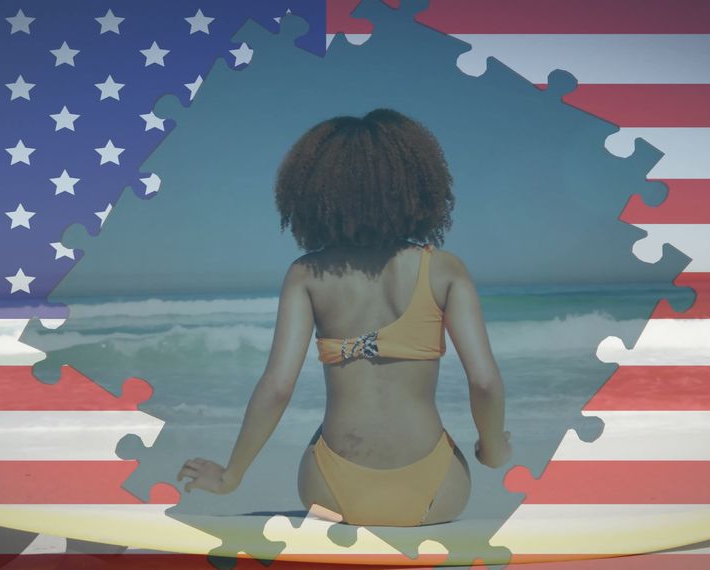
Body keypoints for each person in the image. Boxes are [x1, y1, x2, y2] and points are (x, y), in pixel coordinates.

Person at [178, 108, 510, 526]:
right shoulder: (445, 269)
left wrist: (231, 475)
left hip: (331, 489)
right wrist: (493, 451)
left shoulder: (307, 274)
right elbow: (484, 382)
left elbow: (278, 388)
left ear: (315, 193)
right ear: (417, 187)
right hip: (438, 488)